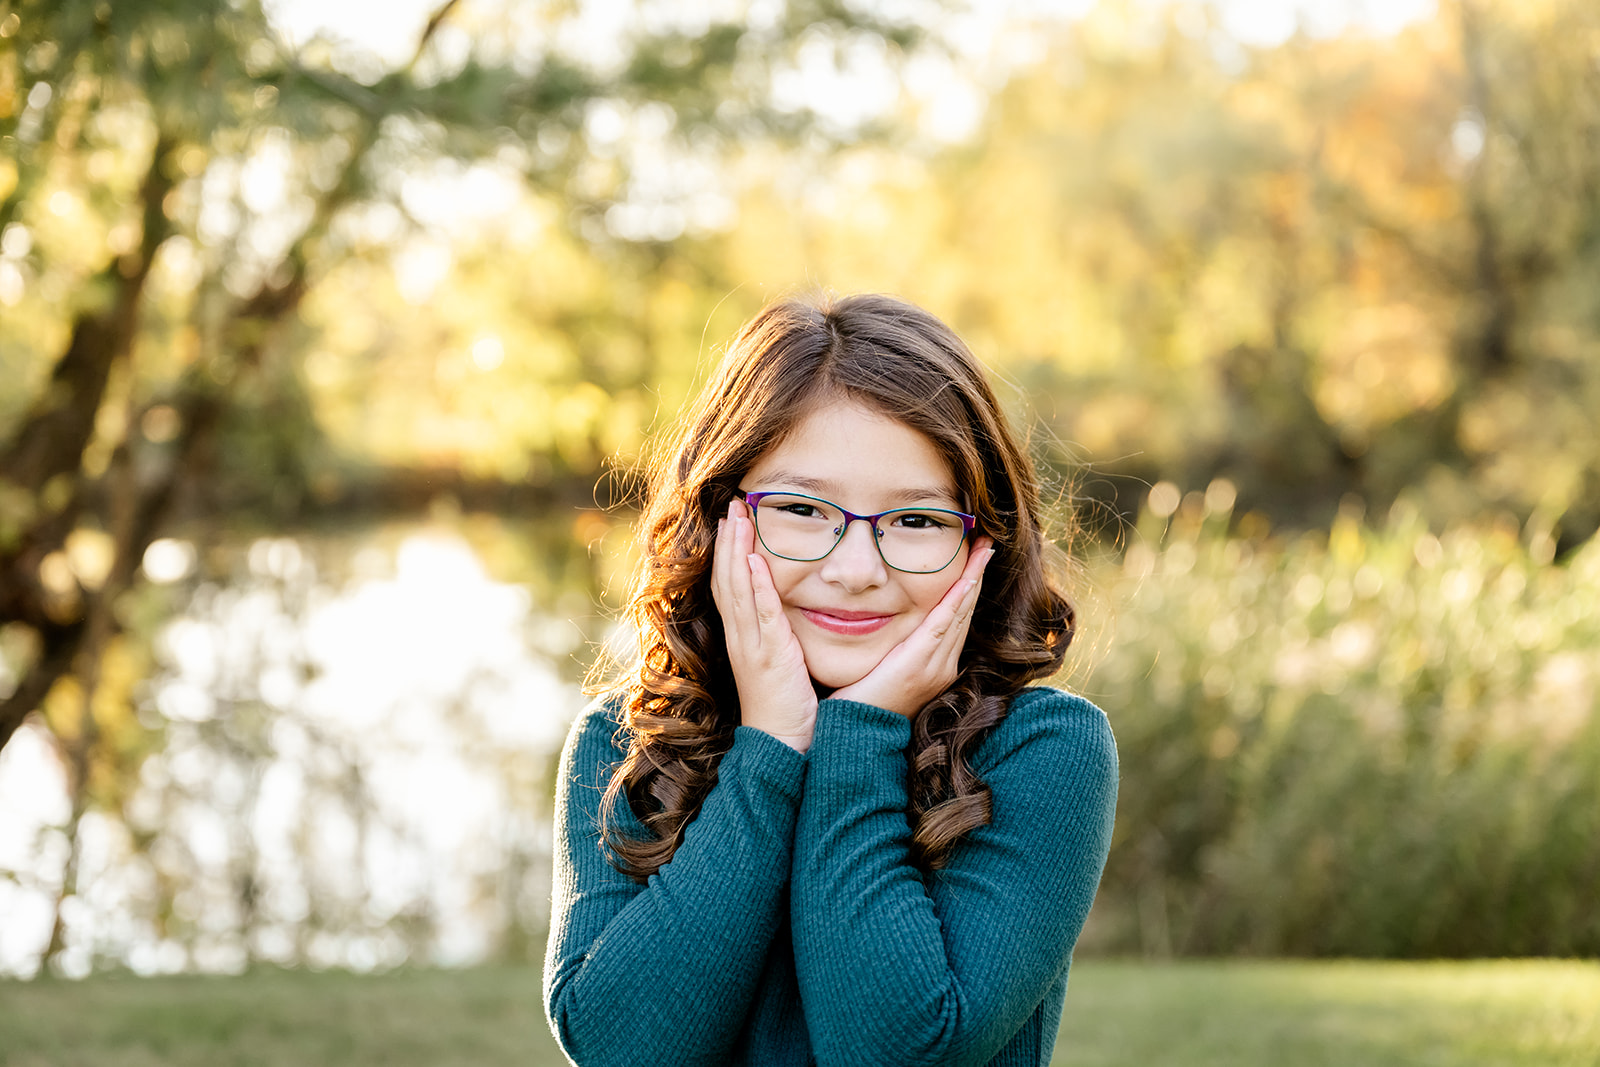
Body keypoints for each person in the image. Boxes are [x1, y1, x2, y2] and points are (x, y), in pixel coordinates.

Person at [543, 293, 1117, 1067]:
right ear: (720, 516)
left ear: (983, 540)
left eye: (916, 520)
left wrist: (861, 733)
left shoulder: (1043, 748)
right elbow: (621, 1050)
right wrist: (772, 743)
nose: (855, 571)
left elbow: (903, 1050)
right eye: (803, 509)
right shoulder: (626, 742)